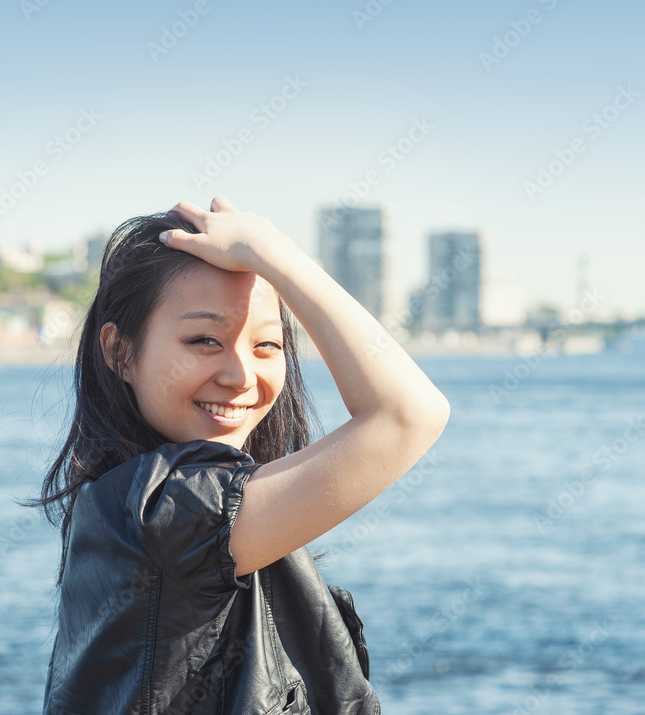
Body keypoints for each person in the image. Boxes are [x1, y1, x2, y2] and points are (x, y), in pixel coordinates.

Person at [37, 196, 450, 714]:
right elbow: (408, 414)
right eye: (205, 340)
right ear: (121, 352)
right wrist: (274, 252)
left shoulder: (130, 503)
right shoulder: (167, 510)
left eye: (266, 346)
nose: (240, 376)